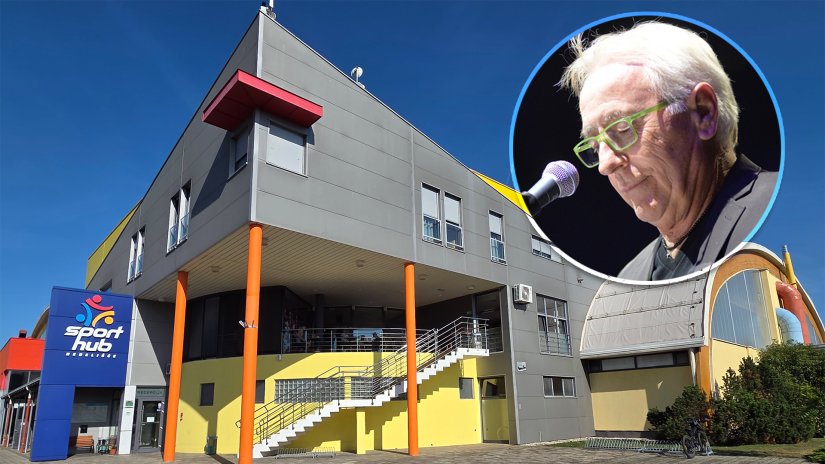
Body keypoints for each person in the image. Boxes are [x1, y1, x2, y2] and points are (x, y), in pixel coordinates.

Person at [559, 21, 777, 281]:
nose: (605, 164)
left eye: (622, 128)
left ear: (703, 112)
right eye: (595, 145)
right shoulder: (630, 276)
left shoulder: (778, 209)